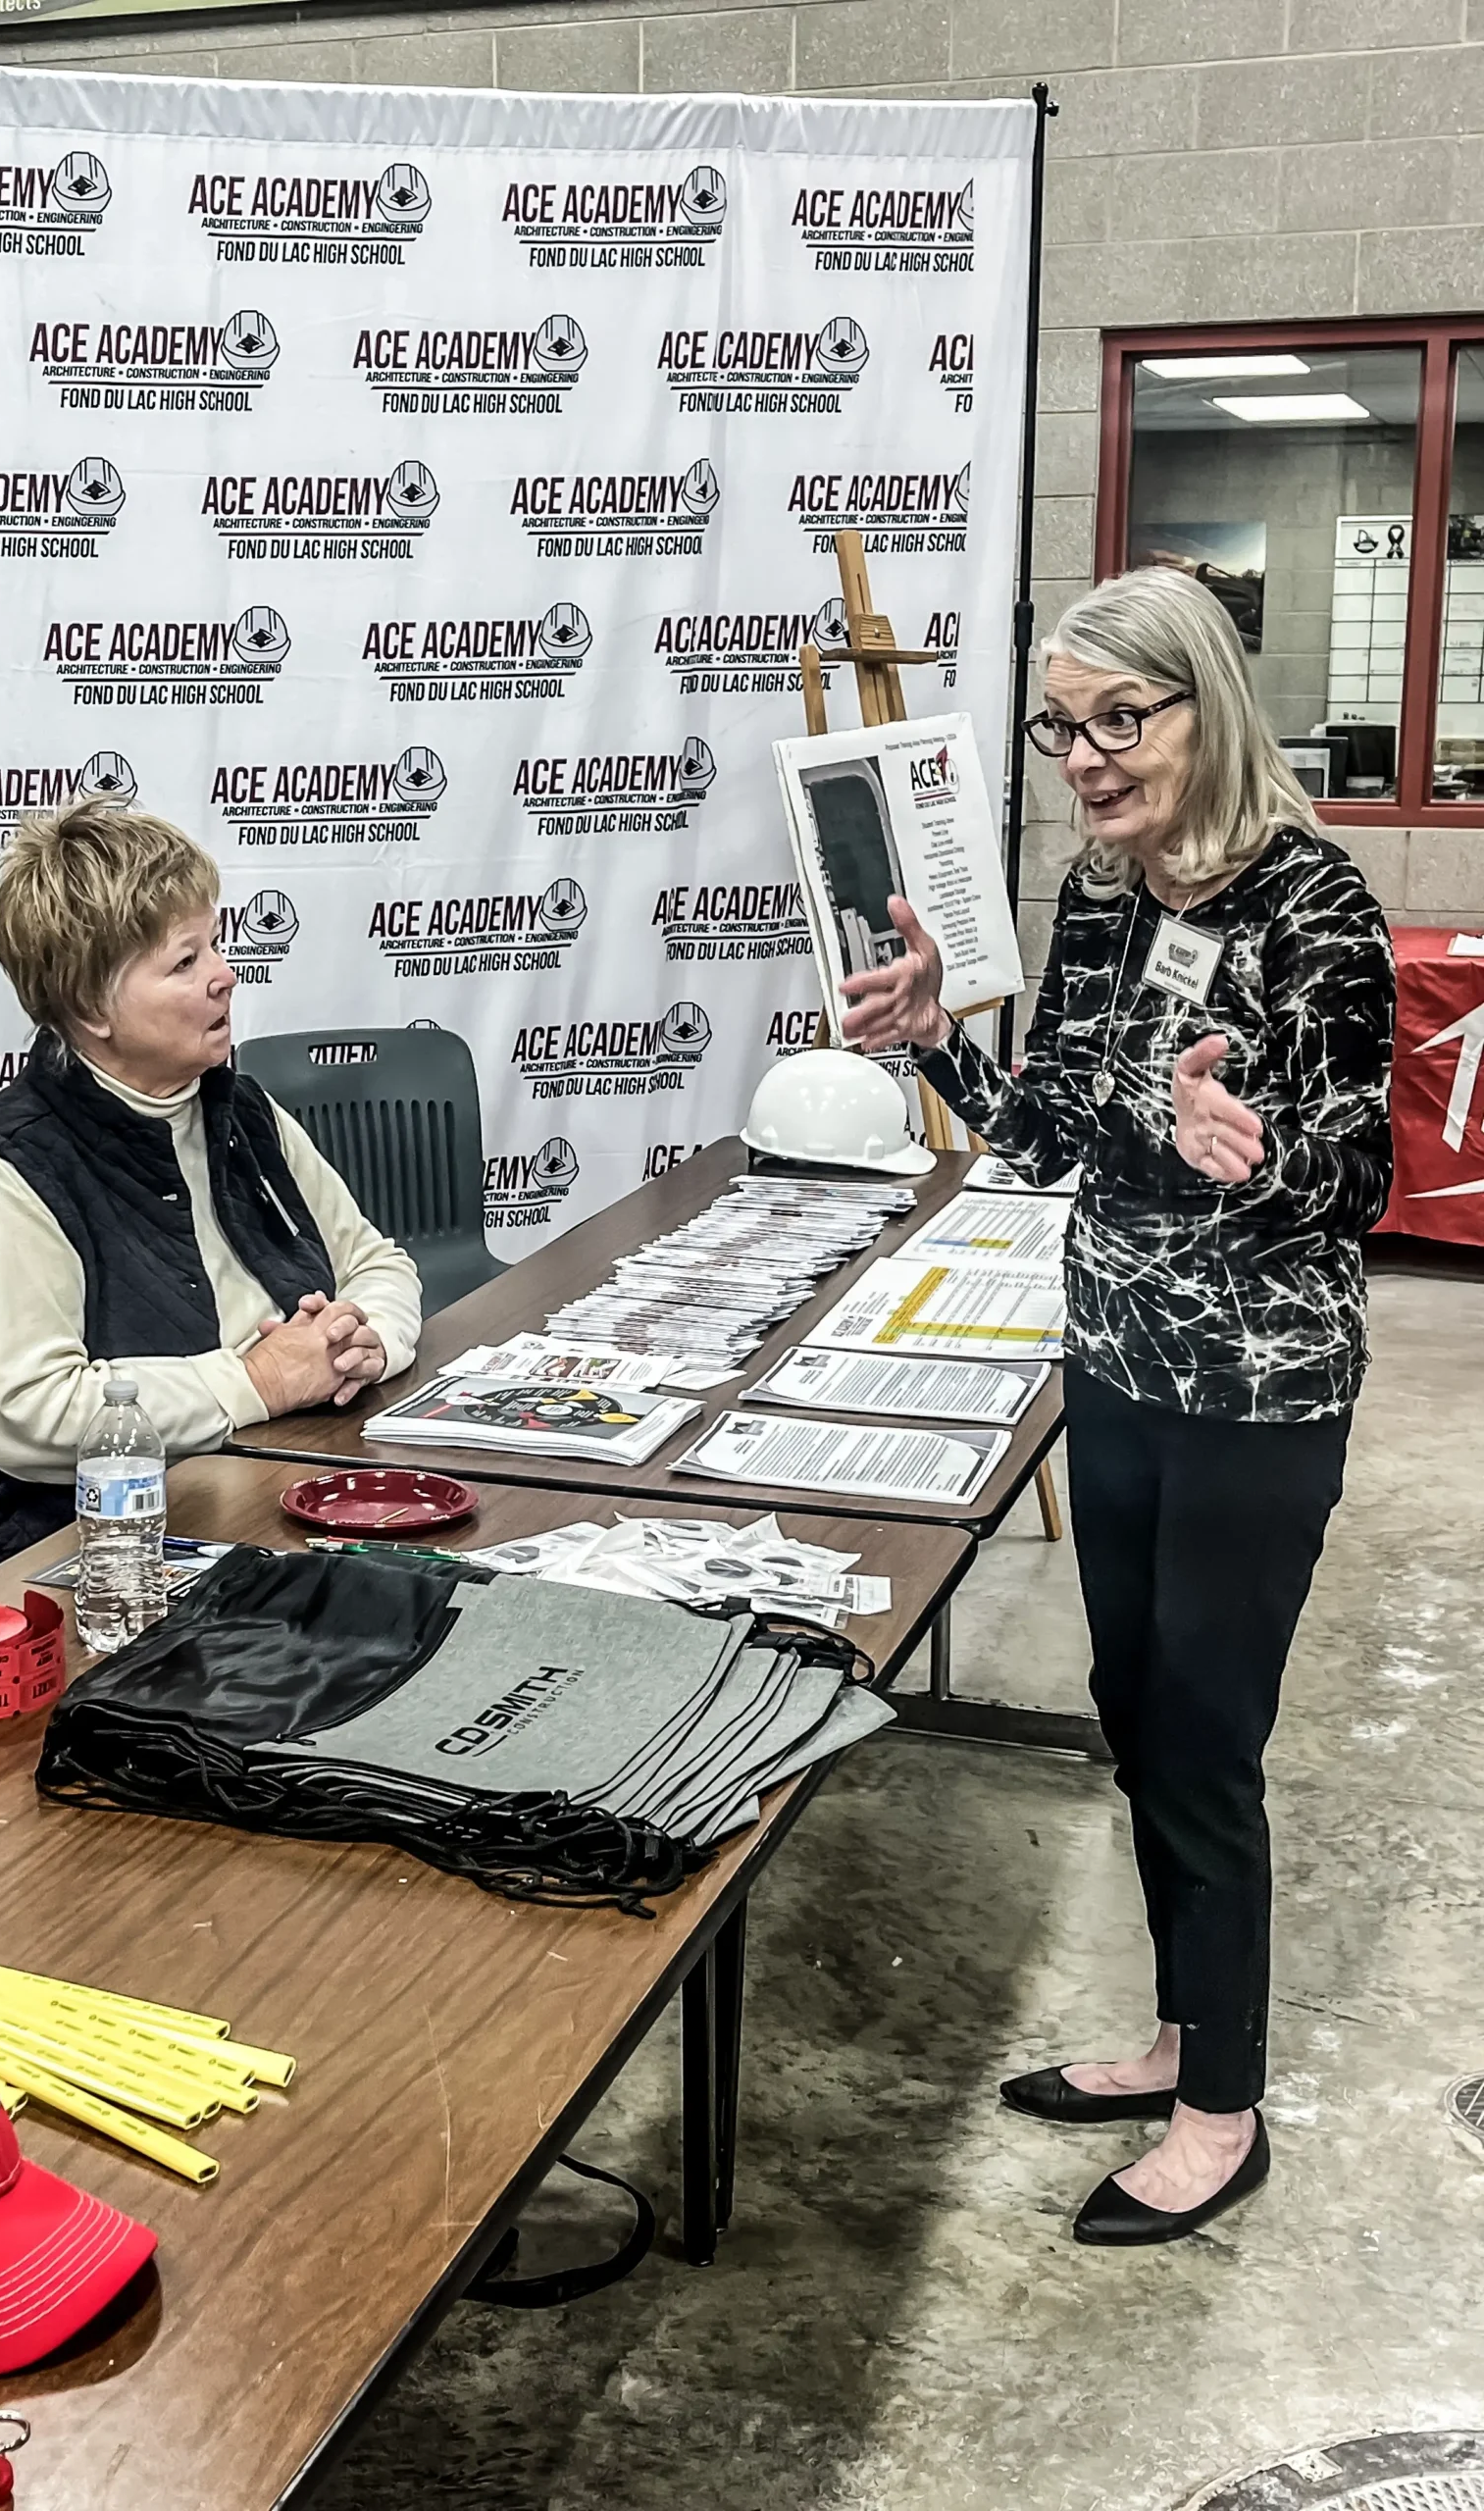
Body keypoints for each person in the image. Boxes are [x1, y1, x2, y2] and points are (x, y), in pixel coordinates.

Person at [840, 567, 1395, 2247]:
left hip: (1256, 1388)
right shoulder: (1100, 893)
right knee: (1134, 1712)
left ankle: (1224, 2112)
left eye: (1119, 722)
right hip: (1121, 1362)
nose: (1085, 759)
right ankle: (1177, 2031)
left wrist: (1258, 1149)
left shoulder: (1315, 903)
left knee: (1207, 1742)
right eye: (1062, 731)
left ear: (1200, 705)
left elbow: (1358, 1172)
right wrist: (940, 1043)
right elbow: (1059, 1135)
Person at [0, 802, 424, 1576]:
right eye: (185, 963)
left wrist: (366, 1339)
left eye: (214, 943)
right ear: (89, 1008)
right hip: (99, 1561)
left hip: (285, 1496)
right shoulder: (5, 1173)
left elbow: (377, 1262)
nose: (225, 975)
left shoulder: (241, 1110)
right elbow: (26, 1413)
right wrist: (257, 1380)